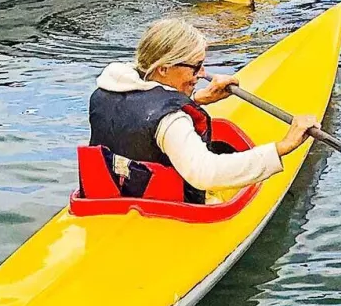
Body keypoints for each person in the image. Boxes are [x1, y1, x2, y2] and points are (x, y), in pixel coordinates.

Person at [88, 17, 318, 204]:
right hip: (170, 212)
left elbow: (138, 119)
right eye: (196, 67)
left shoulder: (106, 90)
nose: (200, 74)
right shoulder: (170, 120)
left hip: (113, 198)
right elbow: (205, 173)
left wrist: (197, 100)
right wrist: (283, 146)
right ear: (165, 68)